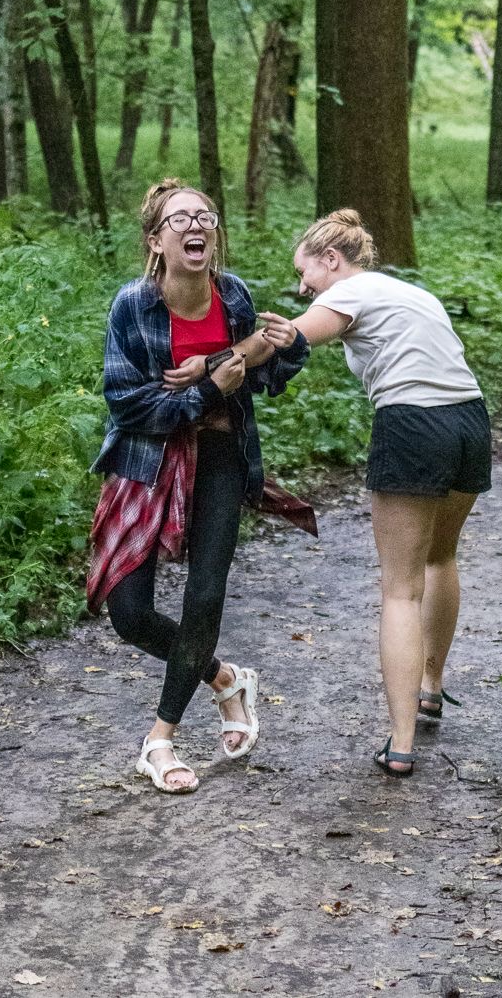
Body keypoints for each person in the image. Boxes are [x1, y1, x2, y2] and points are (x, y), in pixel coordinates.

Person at [87, 179, 310, 794]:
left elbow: (260, 375)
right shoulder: (132, 305)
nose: (196, 226)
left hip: (220, 459)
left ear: (214, 233)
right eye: (180, 218)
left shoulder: (233, 297)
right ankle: (225, 679)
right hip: (145, 462)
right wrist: (209, 390)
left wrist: (286, 349)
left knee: (205, 596)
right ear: (157, 240)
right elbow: (128, 405)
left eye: (205, 217)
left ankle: (160, 739)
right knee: (129, 616)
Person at [260, 210, 490, 777]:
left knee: (399, 591)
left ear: (331, 260)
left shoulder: (352, 289)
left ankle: (402, 741)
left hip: (413, 425)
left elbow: (299, 336)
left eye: (304, 274)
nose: (303, 288)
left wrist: (244, 353)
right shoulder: (413, 294)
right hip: (470, 423)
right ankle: (431, 687)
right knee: (440, 556)